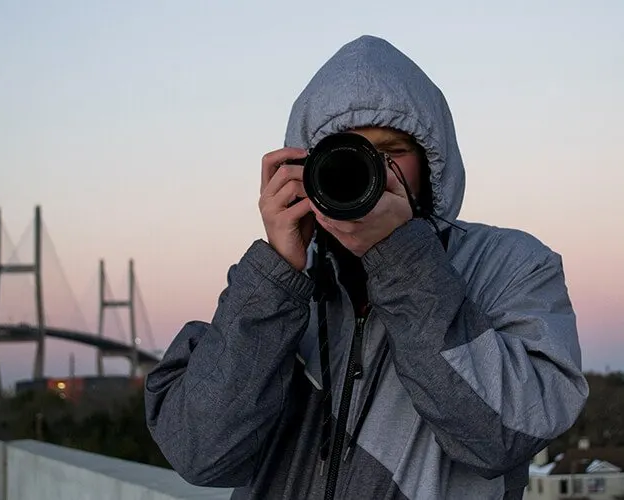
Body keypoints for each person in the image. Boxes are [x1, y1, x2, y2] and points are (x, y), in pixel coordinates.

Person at [144, 35, 589, 499]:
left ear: (430, 163)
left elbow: (506, 437)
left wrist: (402, 258)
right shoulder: (283, 286)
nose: (367, 170)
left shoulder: (511, 265)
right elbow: (199, 454)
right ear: (305, 168)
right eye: (346, 154)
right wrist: (276, 274)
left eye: (391, 151)